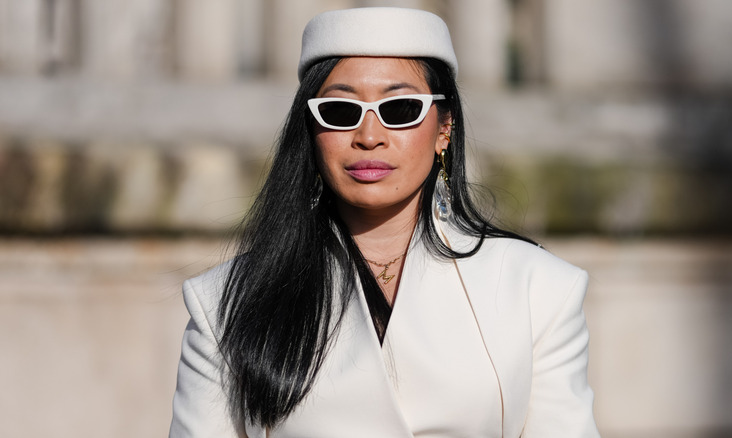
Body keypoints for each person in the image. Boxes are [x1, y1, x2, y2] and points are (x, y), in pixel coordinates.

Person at [170, 7, 599, 438]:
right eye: (340, 111)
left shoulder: (538, 289)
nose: (369, 135)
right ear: (311, 129)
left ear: (444, 128)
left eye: (401, 108)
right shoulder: (224, 303)